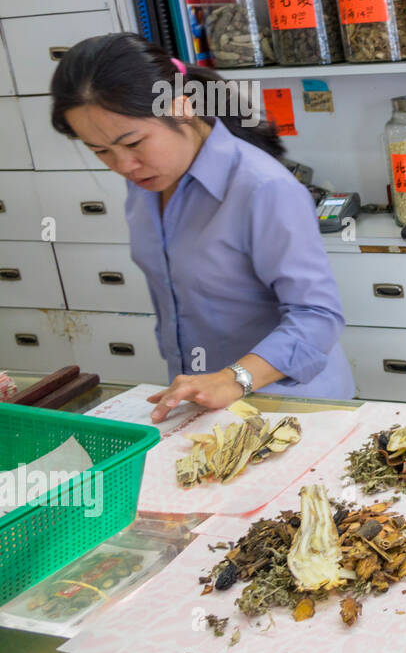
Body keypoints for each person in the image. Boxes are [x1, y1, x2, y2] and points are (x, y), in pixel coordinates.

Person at [50, 33, 354, 422]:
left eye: (134, 143)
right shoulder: (147, 181)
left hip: (289, 406)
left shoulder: (262, 187)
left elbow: (317, 316)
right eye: (101, 152)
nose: (123, 166)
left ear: (181, 108)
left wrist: (234, 378)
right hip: (206, 404)